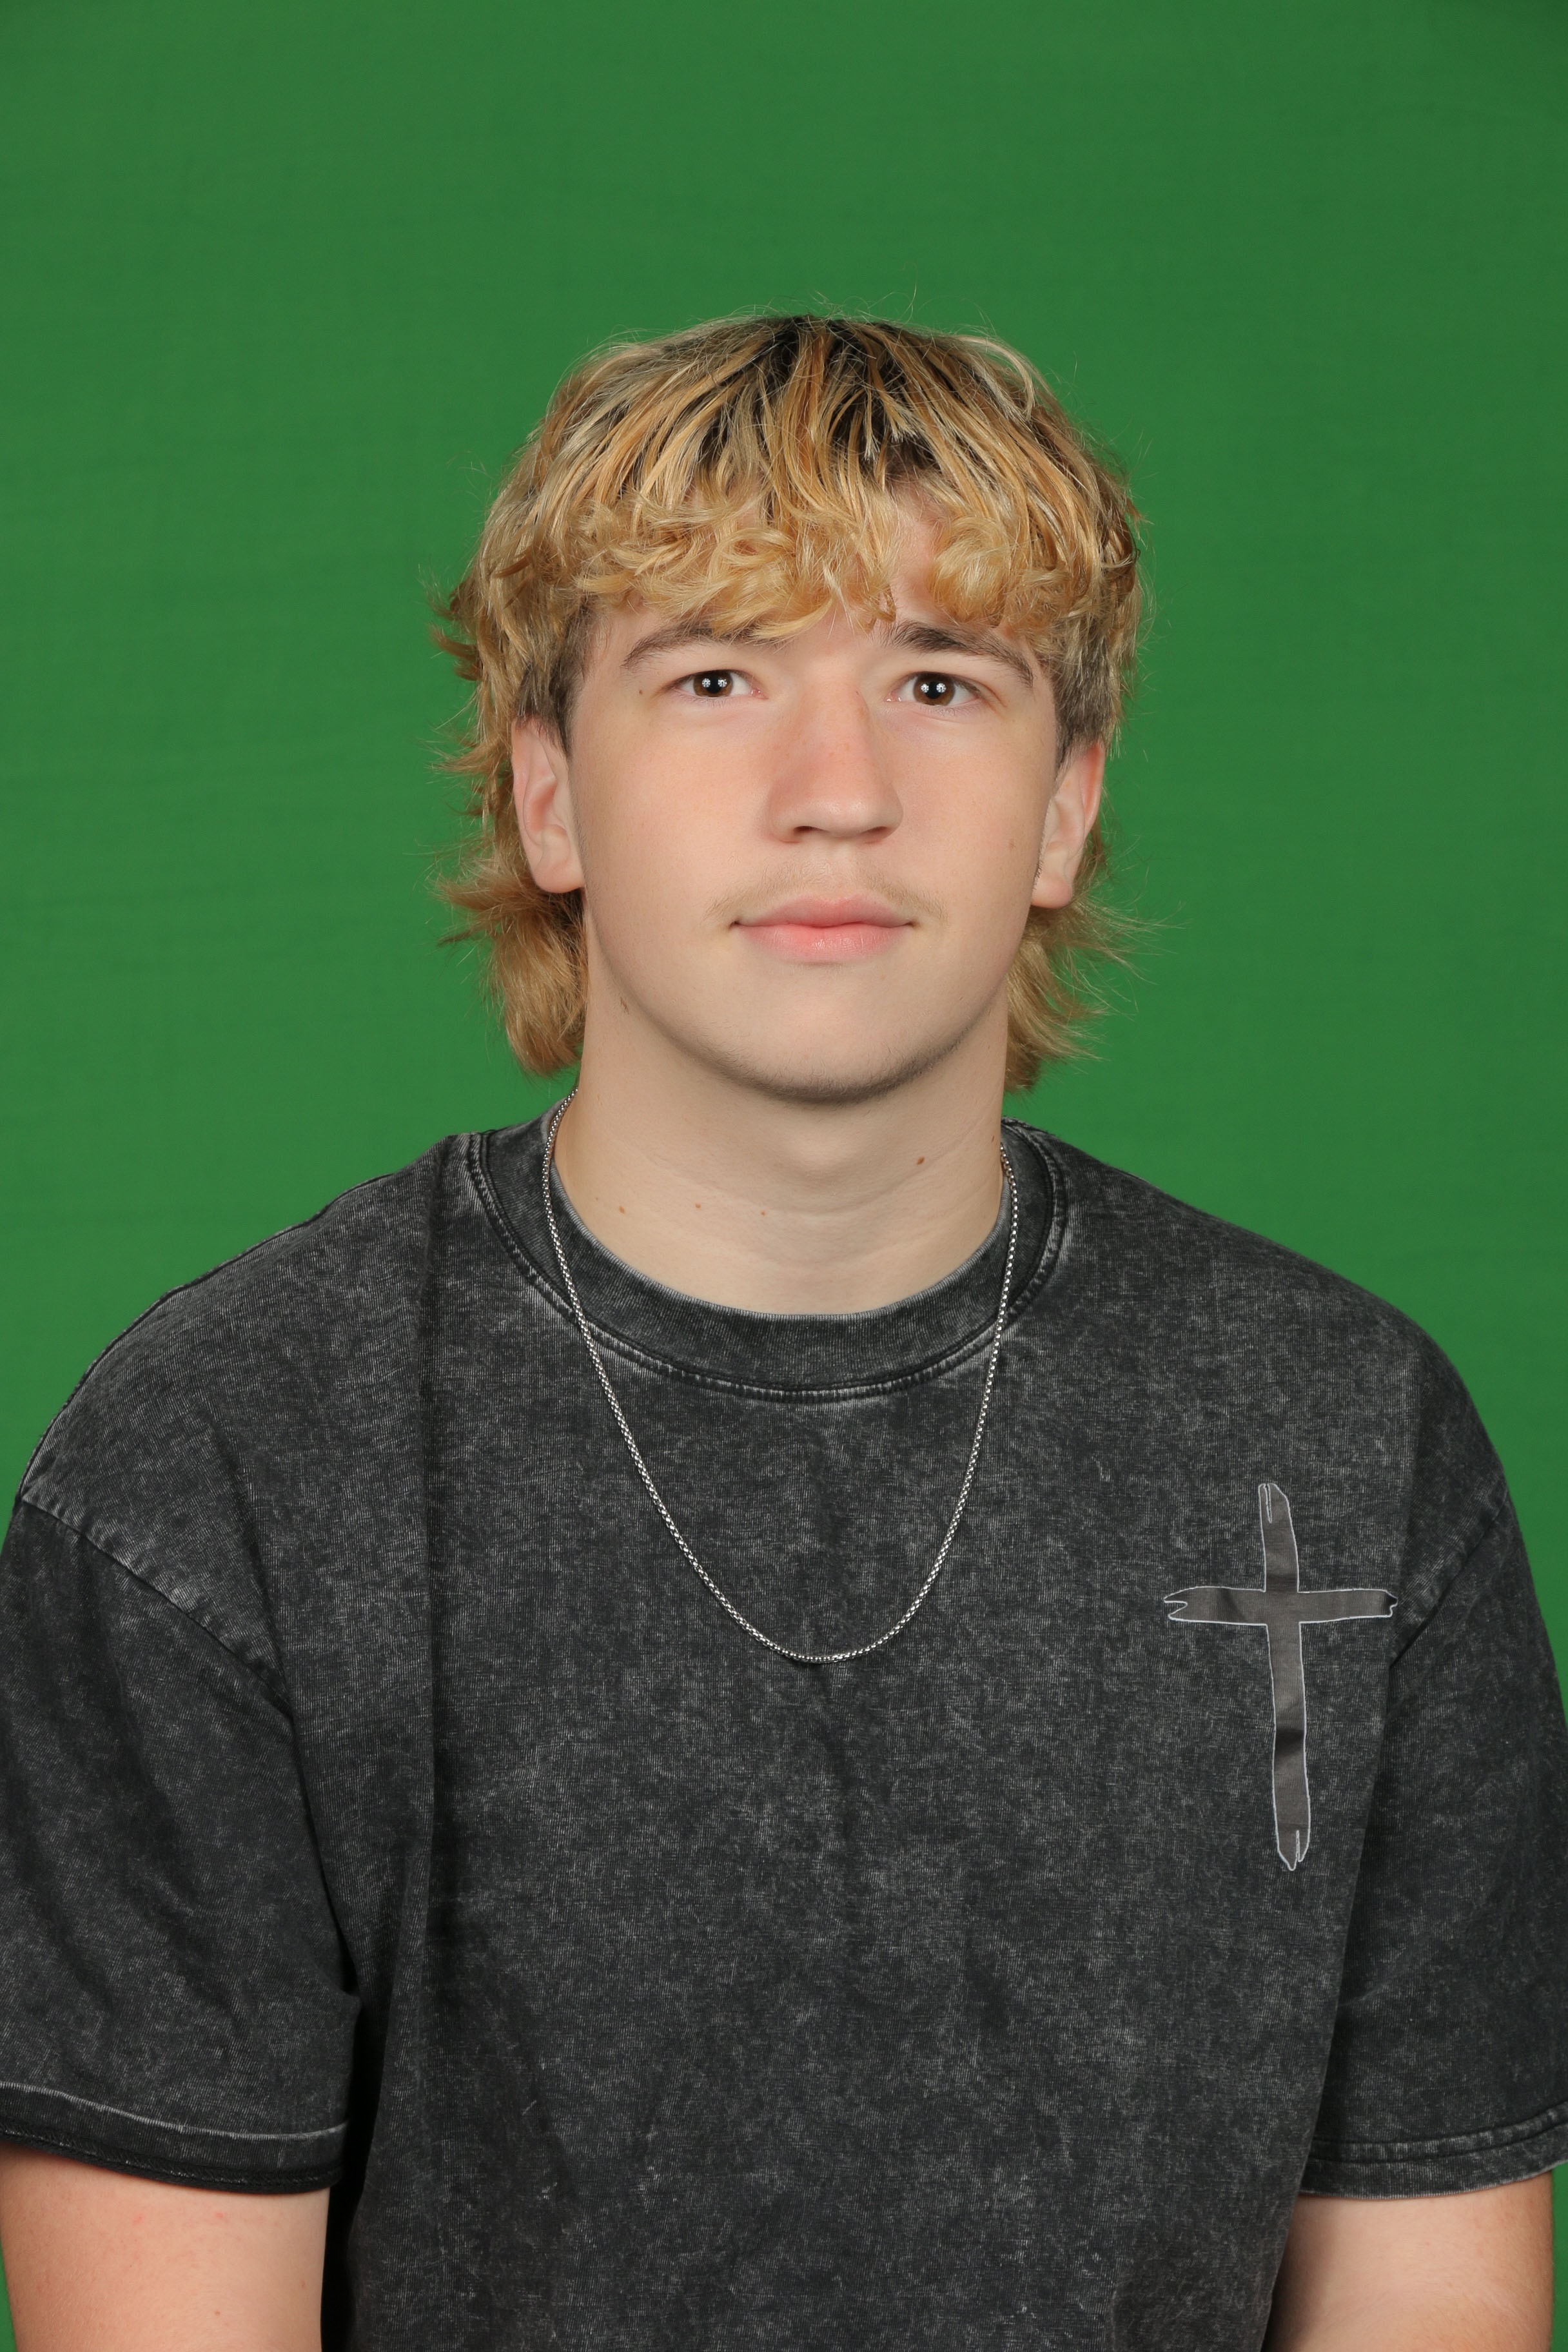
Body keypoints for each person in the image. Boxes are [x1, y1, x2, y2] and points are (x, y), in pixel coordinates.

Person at [0, 315, 1562, 2352]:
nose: (840, 796)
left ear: (1067, 807)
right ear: (550, 797)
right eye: (718, 678)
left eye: (941, 682)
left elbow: (1432, 2304)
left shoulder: (1345, 1444)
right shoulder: (223, 1476)